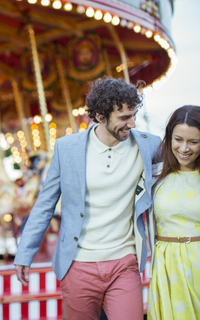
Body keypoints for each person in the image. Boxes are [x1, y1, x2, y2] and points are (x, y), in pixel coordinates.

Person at [14, 77, 161, 320]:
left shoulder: (148, 145)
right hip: (78, 263)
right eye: (124, 118)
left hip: (124, 262)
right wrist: (24, 253)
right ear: (100, 116)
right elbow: (45, 205)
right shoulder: (67, 148)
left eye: (134, 115)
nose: (132, 123)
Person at [147, 105, 200, 319]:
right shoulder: (154, 175)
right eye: (178, 139)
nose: (184, 148)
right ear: (169, 137)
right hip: (165, 266)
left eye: (193, 142)